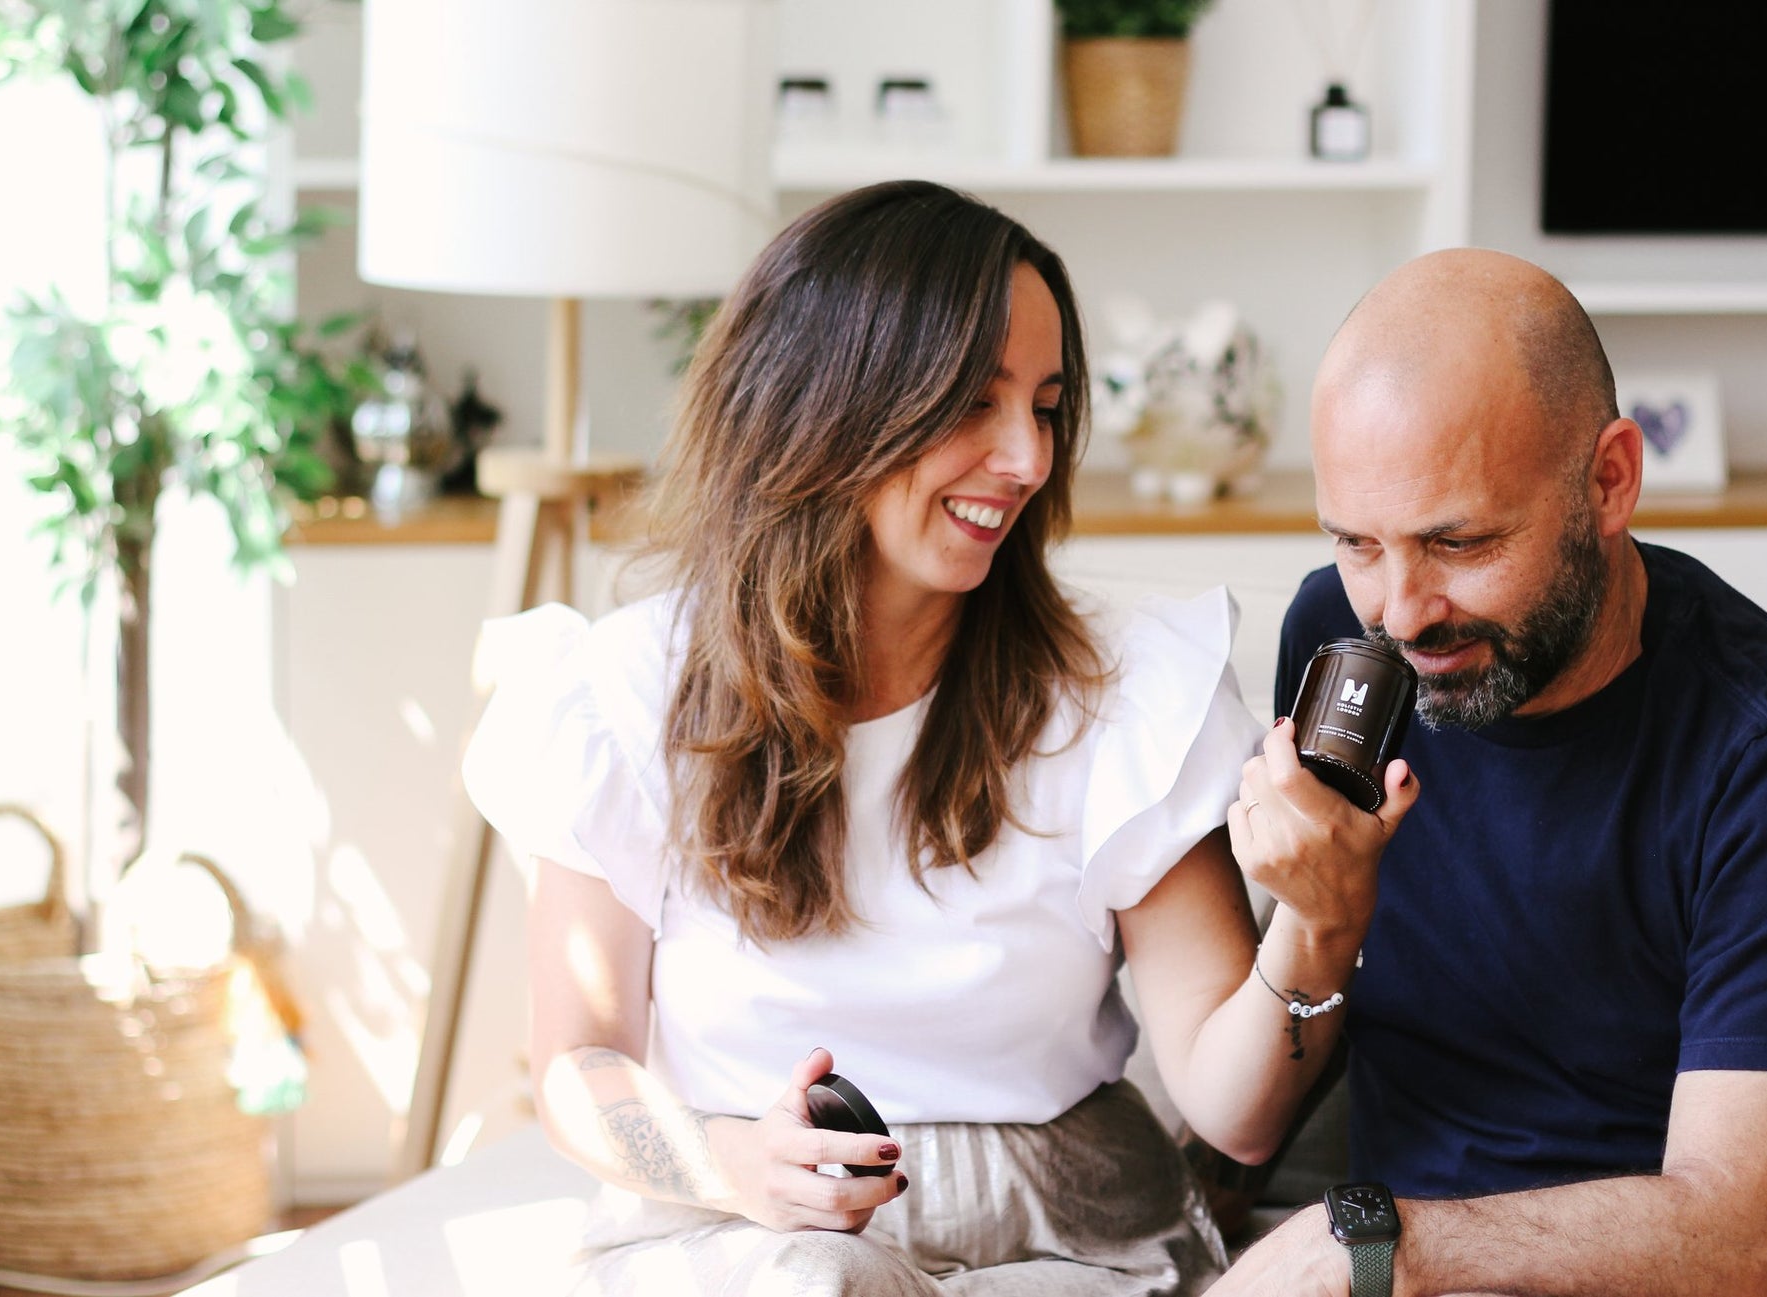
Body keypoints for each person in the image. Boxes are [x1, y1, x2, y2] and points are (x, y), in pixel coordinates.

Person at [461, 180, 1414, 1295]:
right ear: (823, 401)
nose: (1027, 459)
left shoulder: (1120, 692)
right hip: (744, 1227)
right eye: (973, 401)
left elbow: (1234, 1114)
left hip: (1057, 1237)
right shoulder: (626, 695)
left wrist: (1322, 918)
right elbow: (578, 1064)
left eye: (1045, 407)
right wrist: (729, 1162)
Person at [1212, 248, 1767, 1295]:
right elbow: (1263, 1097)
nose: (1402, 614)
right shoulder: (1342, 644)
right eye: (1356, 542)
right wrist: (1318, 923)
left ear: (1609, 480)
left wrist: (1369, 1249)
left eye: (1458, 543)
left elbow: (1740, 1237)